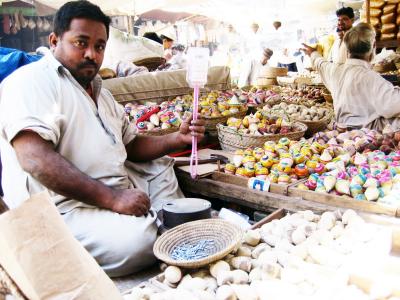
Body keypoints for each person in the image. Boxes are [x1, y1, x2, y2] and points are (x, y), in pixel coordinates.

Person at [0, 1, 205, 277]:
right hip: (63, 209)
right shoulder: (31, 81)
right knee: (139, 242)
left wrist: (176, 139)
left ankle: (159, 224)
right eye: (80, 43)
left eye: (99, 46)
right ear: (54, 41)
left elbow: (131, 145)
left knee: (161, 166)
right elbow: (35, 160)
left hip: (113, 191)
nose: (91, 54)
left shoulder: (101, 92)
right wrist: (114, 199)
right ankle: (154, 228)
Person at [302, 23, 400, 131]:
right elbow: (393, 105)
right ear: (373, 48)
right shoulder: (373, 79)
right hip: (366, 139)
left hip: (340, 133)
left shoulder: (334, 71)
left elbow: (320, 63)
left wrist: (313, 53)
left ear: (348, 50)